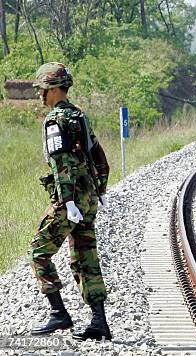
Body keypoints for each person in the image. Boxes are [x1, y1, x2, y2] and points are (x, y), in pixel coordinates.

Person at [29, 62, 112, 341]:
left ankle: (59, 314)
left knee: (38, 252)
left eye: (42, 89)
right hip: (88, 197)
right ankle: (99, 322)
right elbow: (99, 156)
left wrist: (67, 201)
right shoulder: (80, 116)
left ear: (52, 89)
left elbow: (60, 163)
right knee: (85, 255)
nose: (40, 95)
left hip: (71, 199)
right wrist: (100, 189)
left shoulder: (55, 121)